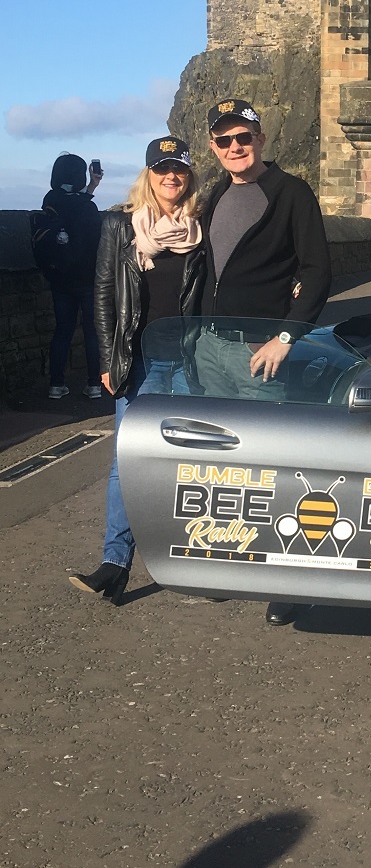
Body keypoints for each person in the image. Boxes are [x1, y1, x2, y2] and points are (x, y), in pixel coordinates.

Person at [196, 98, 332, 626]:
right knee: (224, 467)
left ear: (261, 139)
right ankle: (231, 564)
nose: (235, 147)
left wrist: (286, 336)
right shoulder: (215, 195)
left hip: (261, 352)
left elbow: (318, 270)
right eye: (225, 140)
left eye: (243, 138)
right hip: (212, 348)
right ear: (213, 147)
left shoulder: (292, 192)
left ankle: (286, 580)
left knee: (274, 466)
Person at [68, 137, 204, 606]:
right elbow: (103, 292)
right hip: (138, 361)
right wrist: (106, 359)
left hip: (189, 362)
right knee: (127, 461)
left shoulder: (201, 227)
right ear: (148, 174)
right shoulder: (119, 225)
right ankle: (114, 564)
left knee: (192, 464)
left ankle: (194, 563)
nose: (171, 177)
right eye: (162, 169)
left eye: (179, 170)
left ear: (190, 176)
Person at [31, 152, 104, 399]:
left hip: (60, 279)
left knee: (63, 331)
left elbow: (68, 202)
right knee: (92, 331)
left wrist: (91, 187)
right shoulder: (88, 208)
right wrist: (91, 188)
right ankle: (94, 384)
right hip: (88, 279)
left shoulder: (50, 201)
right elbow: (97, 240)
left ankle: (56, 384)